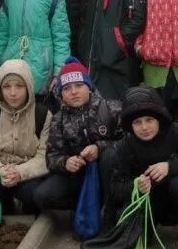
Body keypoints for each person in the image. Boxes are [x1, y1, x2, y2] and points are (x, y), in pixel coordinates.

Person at [108, 87, 178, 249]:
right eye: (137, 122)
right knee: (139, 242)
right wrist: (136, 184)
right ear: (130, 125)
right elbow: (115, 189)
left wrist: (172, 166)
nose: (144, 127)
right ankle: (146, 231)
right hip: (149, 207)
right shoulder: (125, 145)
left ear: (159, 118)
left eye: (149, 120)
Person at [34, 58, 123, 212]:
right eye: (67, 88)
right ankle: (83, 209)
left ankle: (111, 209)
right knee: (42, 195)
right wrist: (66, 162)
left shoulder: (112, 109)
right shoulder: (58, 120)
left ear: (89, 87)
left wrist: (99, 148)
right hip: (79, 175)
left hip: (112, 174)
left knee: (108, 158)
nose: (74, 92)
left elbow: (129, 142)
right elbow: (52, 157)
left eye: (79, 85)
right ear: (61, 93)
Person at [0, 59, 52, 215]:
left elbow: (44, 157)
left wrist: (19, 172)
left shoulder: (42, 115)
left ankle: (29, 217)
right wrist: (0, 170)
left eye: (19, 86)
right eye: (7, 86)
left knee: (35, 194)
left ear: (29, 87)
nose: (13, 93)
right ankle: (5, 212)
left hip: (28, 175)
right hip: (0, 172)